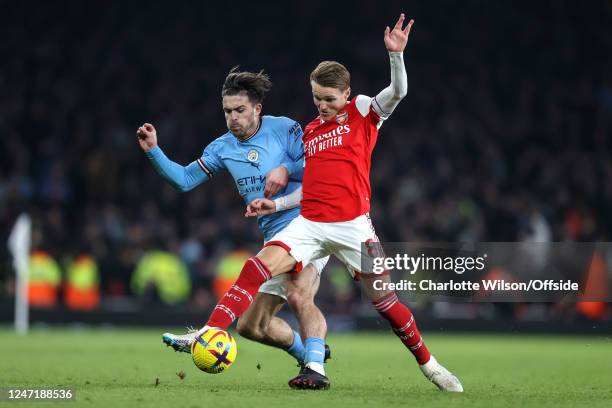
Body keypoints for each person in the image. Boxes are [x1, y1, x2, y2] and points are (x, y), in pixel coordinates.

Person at [196, 14, 463, 392]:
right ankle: (209, 332)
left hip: (355, 226)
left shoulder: (364, 112)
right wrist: (278, 203)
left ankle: (431, 366)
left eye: (329, 99)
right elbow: (313, 188)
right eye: (317, 98)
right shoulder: (309, 131)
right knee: (258, 266)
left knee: (387, 304)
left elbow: (398, 92)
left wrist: (396, 56)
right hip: (309, 223)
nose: (322, 105)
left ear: (346, 95)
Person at [136, 67, 330, 369]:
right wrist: (154, 151)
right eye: (227, 111)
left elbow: (318, 169)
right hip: (273, 237)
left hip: (307, 225)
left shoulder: (284, 129)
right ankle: (309, 352)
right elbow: (185, 180)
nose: (233, 118)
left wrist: (285, 171)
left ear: (257, 108)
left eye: (240, 110)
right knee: (251, 327)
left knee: (297, 293)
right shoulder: (222, 147)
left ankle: (314, 366)